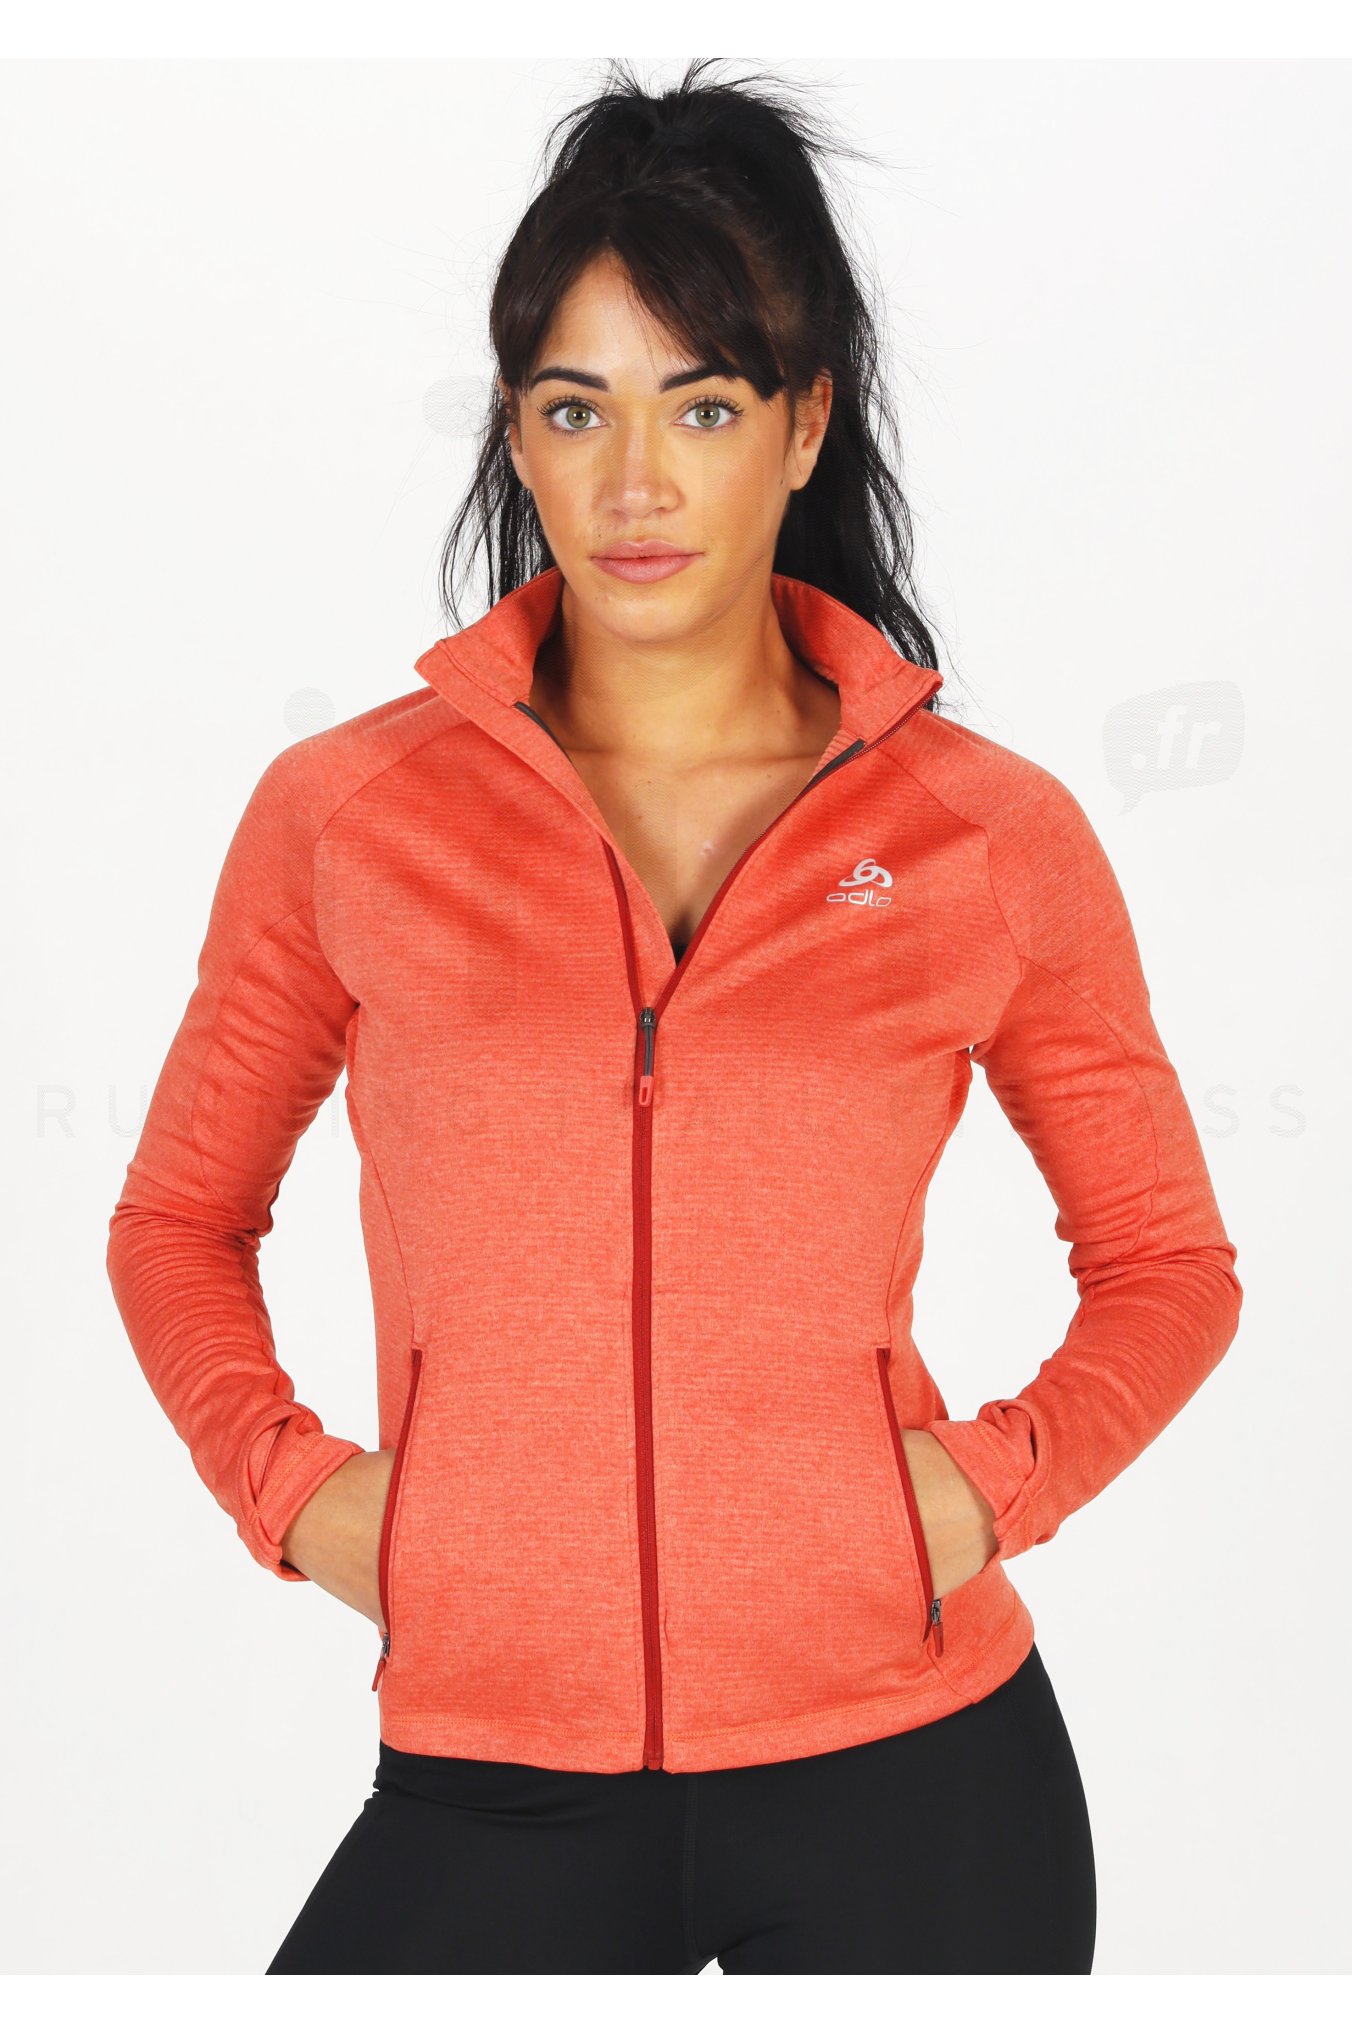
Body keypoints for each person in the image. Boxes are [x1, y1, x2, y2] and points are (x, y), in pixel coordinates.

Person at [106, 60, 1242, 1975]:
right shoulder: (349, 818)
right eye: (578, 407)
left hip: (919, 1776)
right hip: (495, 1768)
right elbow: (175, 1220)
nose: (635, 483)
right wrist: (301, 1498)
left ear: (803, 426)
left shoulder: (982, 833)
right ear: (517, 432)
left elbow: (1169, 1262)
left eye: (702, 405)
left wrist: (979, 1490)